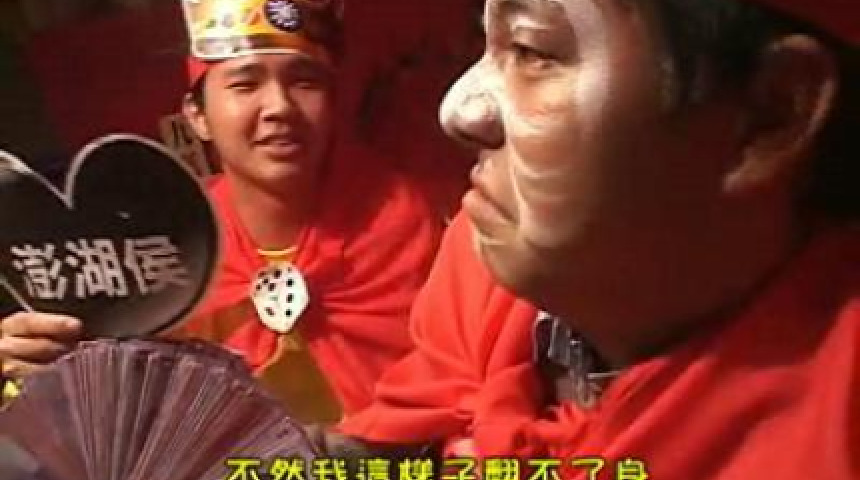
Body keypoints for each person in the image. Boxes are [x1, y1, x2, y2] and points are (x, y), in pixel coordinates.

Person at [318, 0, 860, 476]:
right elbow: (412, 433)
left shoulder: (834, 435)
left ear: (769, 114)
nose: (458, 109)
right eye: (483, 43)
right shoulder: (487, 263)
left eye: (532, 51)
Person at [0, 0, 445, 425]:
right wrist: (44, 372)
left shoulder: (409, 223)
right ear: (197, 116)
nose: (279, 107)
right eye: (245, 84)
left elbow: (452, 386)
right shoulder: (162, 241)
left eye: (304, 82)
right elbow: (116, 409)